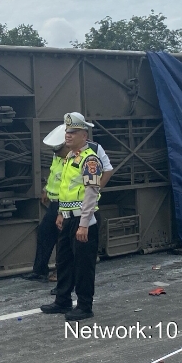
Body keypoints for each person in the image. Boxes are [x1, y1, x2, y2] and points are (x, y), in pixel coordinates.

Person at [40, 113, 108, 321]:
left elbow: (91, 192)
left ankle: (85, 306)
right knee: (64, 260)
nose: (67, 136)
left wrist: (84, 224)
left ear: (84, 135)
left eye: (73, 132)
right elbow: (65, 188)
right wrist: (61, 213)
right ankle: (63, 300)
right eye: (67, 132)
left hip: (83, 219)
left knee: (84, 264)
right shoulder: (70, 157)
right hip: (69, 217)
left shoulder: (90, 159)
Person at [23, 133, 71, 282]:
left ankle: (60, 272)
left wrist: (62, 211)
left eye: (58, 150)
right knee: (44, 233)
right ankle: (39, 270)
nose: (56, 153)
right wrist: (46, 189)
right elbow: (53, 176)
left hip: (66, 203)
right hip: (54, 202)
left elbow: (69, 185)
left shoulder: (74, 160)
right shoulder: (58, 157)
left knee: (63, 240)